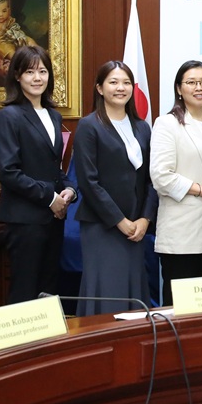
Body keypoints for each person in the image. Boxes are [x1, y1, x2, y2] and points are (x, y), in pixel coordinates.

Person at [74, 61, 158, 315]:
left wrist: (144, 218)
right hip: (103, 225)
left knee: (132, 289)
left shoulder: (142, 127)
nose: (120, 88)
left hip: (136, 227)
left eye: (126, 83)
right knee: (106, 290)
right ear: (100, 88)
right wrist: (119, 221)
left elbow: (151, 179)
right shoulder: (89, 126)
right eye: (113, 82)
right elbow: (89, 182)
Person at [0, 45, 76, 304]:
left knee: (48, 291)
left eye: (42, 71)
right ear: (17, 76)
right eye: (30, 72)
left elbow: (53, 167)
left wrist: (70, 189)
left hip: (53, 220)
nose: (37, 78)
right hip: (25, 220)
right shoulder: (9, 115)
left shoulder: (53, 116)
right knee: (25, 292)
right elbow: (8, 172)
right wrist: (50, 198)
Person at [150, 60, 202, 306]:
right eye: (192, 82)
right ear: (179, 89)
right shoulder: (167, 123)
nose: (199, 87)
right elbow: (161, 175)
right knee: (178, 307)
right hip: (181, 233)